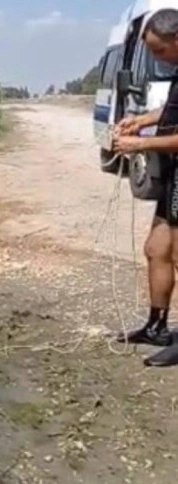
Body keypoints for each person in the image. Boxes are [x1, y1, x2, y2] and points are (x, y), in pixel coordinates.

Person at [113, 8, 178, 366]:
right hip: (173, 174)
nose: (157, 59)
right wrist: (141, 121)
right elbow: (172, 111)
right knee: (156, 249)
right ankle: (156, 326)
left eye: (159, 51)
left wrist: (140, 145)